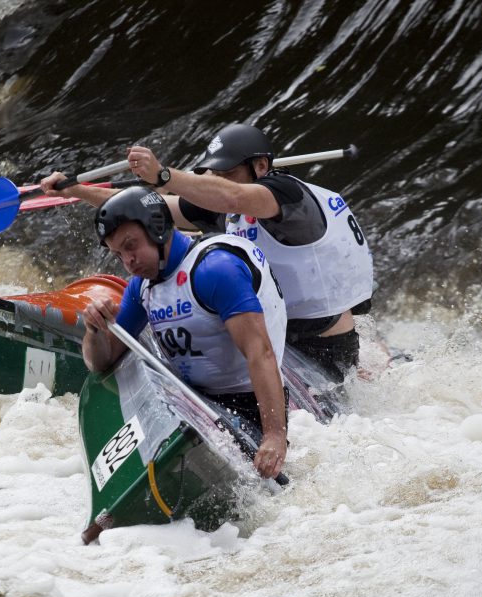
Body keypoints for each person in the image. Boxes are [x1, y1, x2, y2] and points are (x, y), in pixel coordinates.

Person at [41, 123, 374, 379]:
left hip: (324, 349)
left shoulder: (288, 196)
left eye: (226, 174)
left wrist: (163, 175)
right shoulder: (223, 204)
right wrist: (77, 190)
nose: (218, 182)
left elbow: (233, 197)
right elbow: (150, 208)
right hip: (277, 339)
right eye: (214, 175)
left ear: (260, 166)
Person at [80, 185, 289, 479]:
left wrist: (274, 437)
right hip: (196, 400)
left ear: (158, 229)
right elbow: (99, 362)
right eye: (118, 254)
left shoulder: (215, 270)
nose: (128, 261)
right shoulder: (141, 287)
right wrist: (94, 331)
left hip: (251, 401)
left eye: (131, 245)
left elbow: (261, 353)